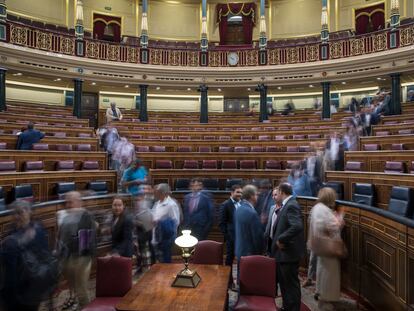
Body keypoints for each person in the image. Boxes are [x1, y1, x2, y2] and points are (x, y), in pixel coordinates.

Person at [0, 201, 57, 311]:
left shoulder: (37, 230)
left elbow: (45, 256)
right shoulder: (14, 231)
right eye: (14, 213)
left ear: (29, 212)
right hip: (25, 289)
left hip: (28, 289)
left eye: (20, 212)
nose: (16, 216)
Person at [267, 183, 305, 311]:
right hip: (283, 255)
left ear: (282, 192)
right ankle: (287, 307)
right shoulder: (288, 205)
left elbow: (297, 226)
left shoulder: (291, 205)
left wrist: (281, 238)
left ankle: (292, 308)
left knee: (290, 286)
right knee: (285, 286)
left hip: (288, 255)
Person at [56, 191, 97, 309]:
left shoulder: (87, 216)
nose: (68, 205)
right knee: (73, 285)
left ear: (79, 202)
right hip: (68, 257)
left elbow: (88, 241)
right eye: (66, 202)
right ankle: (77, 302)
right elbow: (61, 238)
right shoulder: (66, 217)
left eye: (71, 202)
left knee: (81, 289)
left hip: (82, 258)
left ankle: (85, 307)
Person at [308, 188, 345, 308]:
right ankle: (326, 300)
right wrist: (340, 217)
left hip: (319, 246)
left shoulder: (317, 207)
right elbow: (333, 226)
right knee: (329, 274)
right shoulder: (324, 210)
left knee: (321, 269)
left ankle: (319, 293)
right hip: (328, 247)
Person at [151, 183, 181, 263]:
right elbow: (154, 215)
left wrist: (161, 222)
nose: (155, 194)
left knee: (165, 260)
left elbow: (176, 221)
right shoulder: (157, 203)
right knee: (158, 258)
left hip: (166, 237)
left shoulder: (171, 205)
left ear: (163, 193)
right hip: (156, 234)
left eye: (157, 192)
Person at [235, 184, 264, 261]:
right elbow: (256, 237)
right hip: (250, 254)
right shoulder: (252, 213)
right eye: (256, 194)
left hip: (240, 251)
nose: (257, 197)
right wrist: (261, 253)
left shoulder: (238, 209)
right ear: (252, 196)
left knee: (240, 273)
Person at [219, 184, 242, 266]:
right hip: (231, 238)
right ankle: (228, 278)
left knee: (241, 259)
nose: (240, 194)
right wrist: (228, 236)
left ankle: (240, 278)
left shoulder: (243, 204)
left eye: (241, 192)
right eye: (237, 192)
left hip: (242, 238)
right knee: (229, 259)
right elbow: (222, 223)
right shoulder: (225, 205)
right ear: (232, 193)